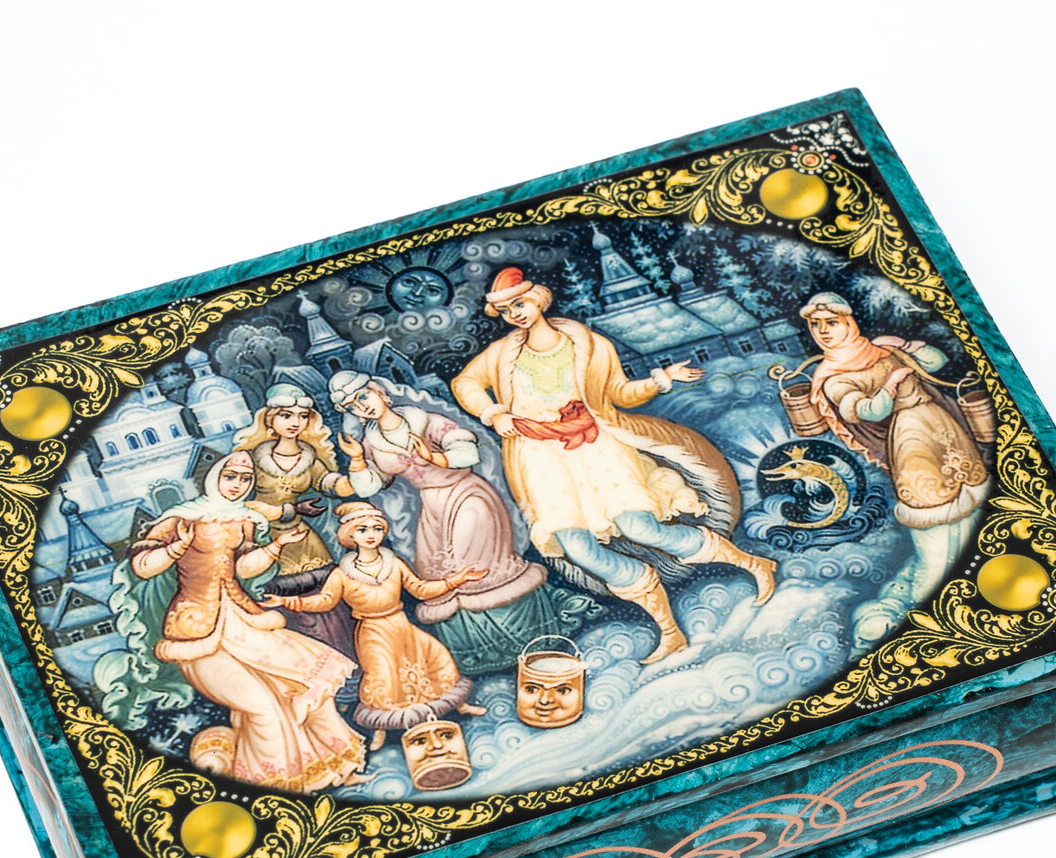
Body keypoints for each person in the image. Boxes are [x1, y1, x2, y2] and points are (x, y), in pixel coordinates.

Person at [450, 267, 774, 661]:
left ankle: (753, 564)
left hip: (597, 449)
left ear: (538, 299)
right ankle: (669, 631)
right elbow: (464, 383)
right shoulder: (501, 354)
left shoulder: (589, 345)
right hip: (540, 462)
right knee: (579, 549)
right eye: (505, 310)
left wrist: (660, 380)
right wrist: (493, 413)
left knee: (639, 526)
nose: (515, 314)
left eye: (520, 304)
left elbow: (619, 392)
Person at [127, 450, 365, 789]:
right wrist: (175, 549)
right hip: (197, 630)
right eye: (231, 477)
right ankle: (275, 785)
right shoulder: (181, 518)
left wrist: (276, 546)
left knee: (310, 683)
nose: (237, 485)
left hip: (244, 619)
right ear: (213, 478)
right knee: (263, 708)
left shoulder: (244, 519)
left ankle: (335, 768)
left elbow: (243, 568)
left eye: (245, 479)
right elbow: (142, 567)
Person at [326, 369, 573, 673]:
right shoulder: (372, 442)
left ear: (379, 391)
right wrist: (356, 459)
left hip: (468, 496)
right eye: (352, 406)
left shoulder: (424, 420)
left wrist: (434, 457)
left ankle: (530, 638)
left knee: (474, 565)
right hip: (432, 509)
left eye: (363, 396)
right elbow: (371, 487)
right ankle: (482, 651)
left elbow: (468, 452)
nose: (362, 407)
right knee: (437, 573)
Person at [798, 292, 990, 642]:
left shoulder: (880, 350)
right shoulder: (833, 377)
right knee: (931, 516)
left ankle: (978, 575)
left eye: (832, 322)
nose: (823, 331)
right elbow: (866, 412)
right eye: (816, 325)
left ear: (849, 322)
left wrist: (905, 345)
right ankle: (932, 602)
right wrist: (890, 385)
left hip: (944, 427)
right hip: (911, 441)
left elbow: (937, 363)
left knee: (974, 502)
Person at [274, 501, 488, 753]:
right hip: (373, 631)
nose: (371, 535)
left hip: (400, 624)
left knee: (435, 658)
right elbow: (325, 601)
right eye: (363, 529)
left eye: (377, 529)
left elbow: (420, 589)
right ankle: (381, 729)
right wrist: (292, 602)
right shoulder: (342, 574)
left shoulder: (394, 564)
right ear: (351, 535)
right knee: (383, 676)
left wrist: (456, 580)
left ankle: (459, 705)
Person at [235, 384, 356, 662]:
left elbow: (330, 484)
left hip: (305, 542)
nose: (296, 422)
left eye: (303, 416)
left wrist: (360, 468)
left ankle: (347, 660)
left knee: (329, 602)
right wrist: (290, 509)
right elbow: (243, 505)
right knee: (284, 610)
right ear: (270, 419)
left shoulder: (308, 457)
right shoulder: (253, 459)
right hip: (265, 541)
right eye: (287, 415)